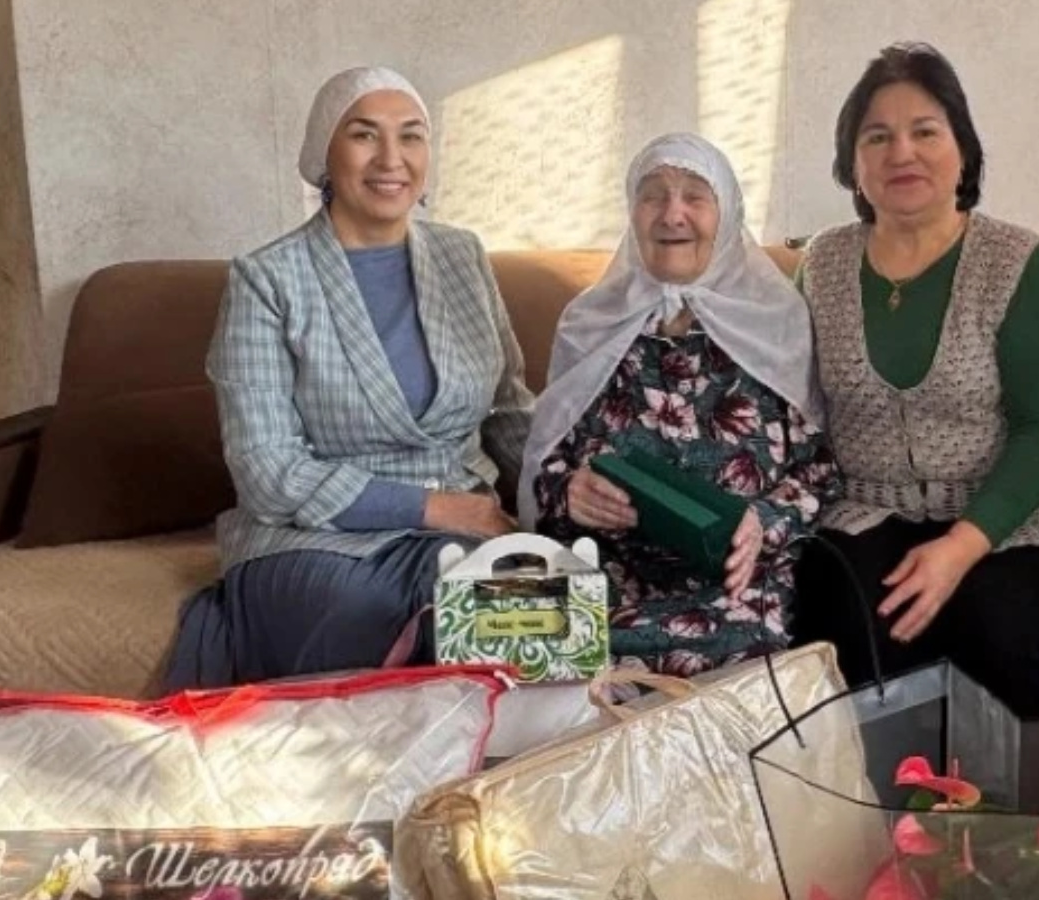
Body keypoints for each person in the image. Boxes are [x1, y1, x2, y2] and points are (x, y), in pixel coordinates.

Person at [164, 66, 534, 689]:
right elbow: (266, 470)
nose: (391, 158)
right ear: (324, 157)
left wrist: (568, 490)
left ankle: (507, 755)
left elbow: (509, 412)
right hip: (317, 543)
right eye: (364, 135)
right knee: (386, 607)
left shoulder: (462, 255)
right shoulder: (266, 279)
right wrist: (436, 508)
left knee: (536, 598)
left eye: (411, 136)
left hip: (469, 532)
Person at [792, 43, 1039, 718]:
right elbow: (787, 407)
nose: (902, 152)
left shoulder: (1012, 259)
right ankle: (879, 791)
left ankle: (1009, 795)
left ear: (963, 150)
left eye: (925, 131)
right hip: (863, 509)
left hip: (1013, 518)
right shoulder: (823, 262)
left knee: (995, 624)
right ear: (853, 162)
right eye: (878, 136)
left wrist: (962, 546)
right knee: (855, 624)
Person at [519, 133, 839, 678]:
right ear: (633, 213)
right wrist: (568, 492)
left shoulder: (776, 323)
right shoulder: (590, 322)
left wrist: (763, 523)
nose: (672, 214)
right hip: (603, 572)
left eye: (695, 196)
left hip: (731, 583)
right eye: (653, 195)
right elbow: (544, 463)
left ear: (727, 214)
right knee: (518, 643)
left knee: (735, 650)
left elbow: (820, 472)